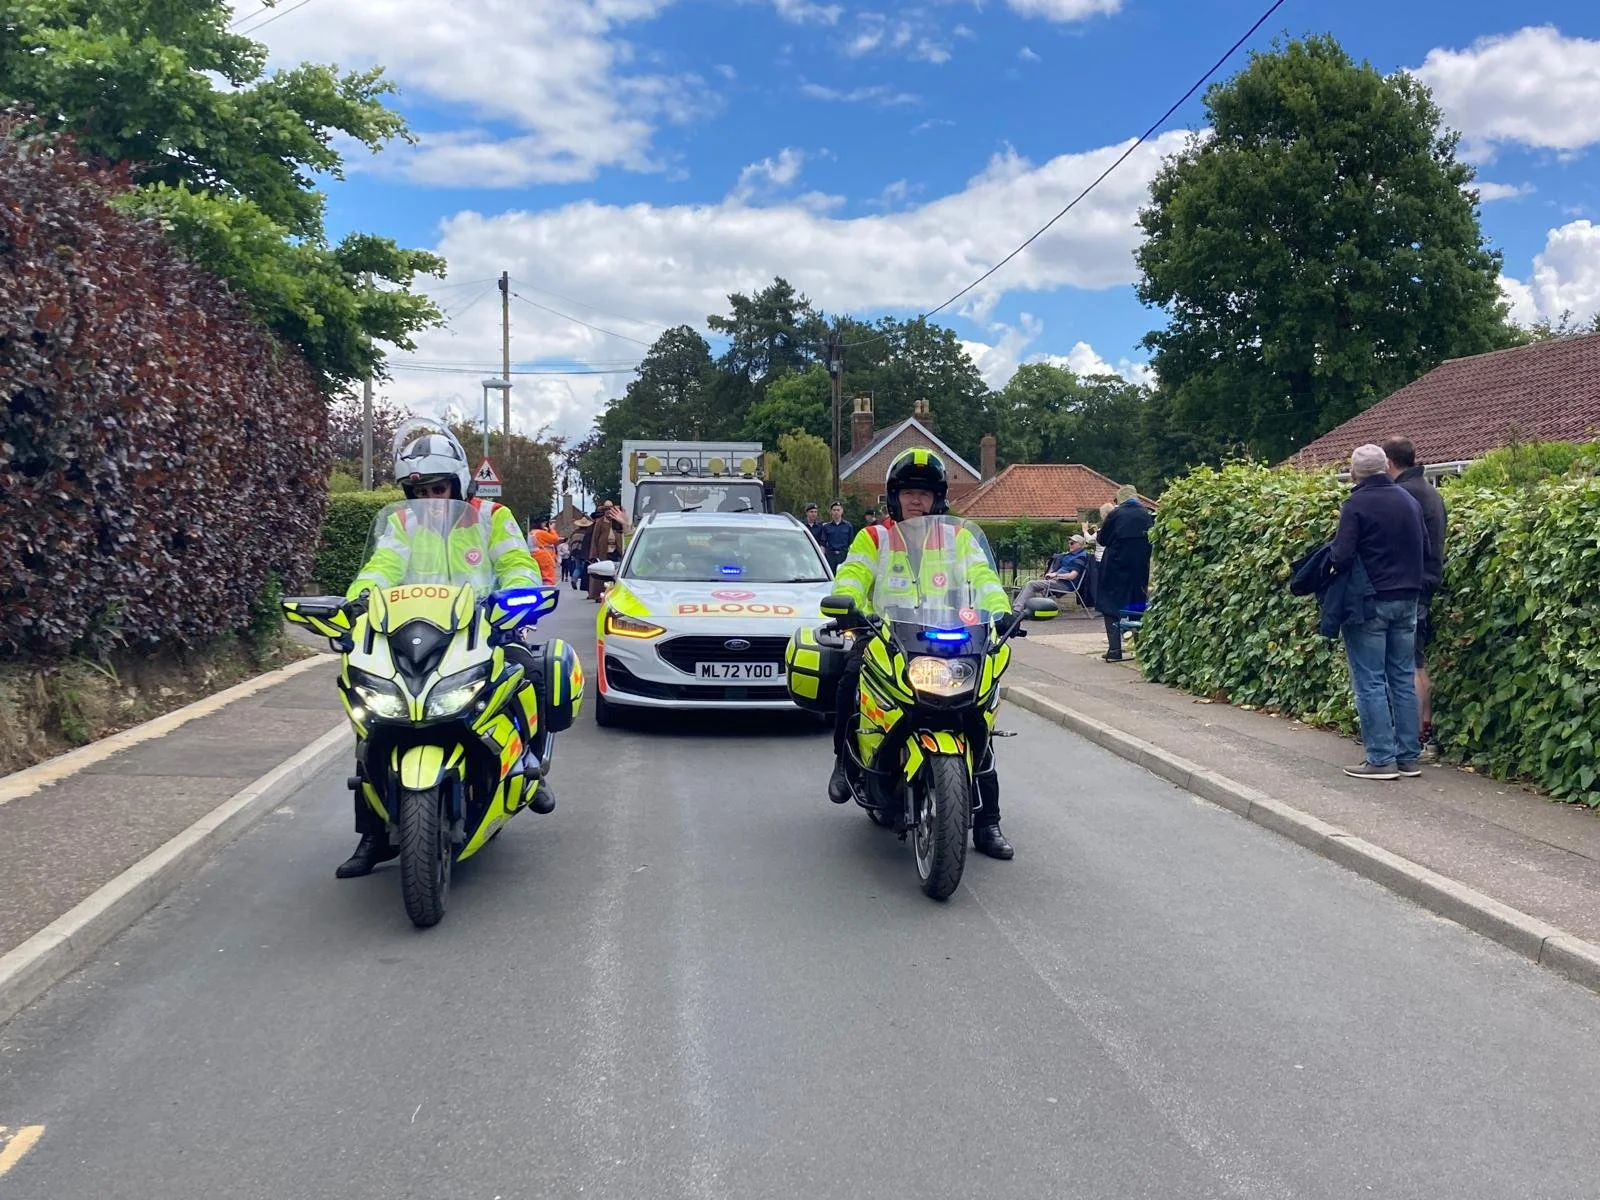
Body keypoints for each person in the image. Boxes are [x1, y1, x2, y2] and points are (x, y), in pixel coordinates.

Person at [338, 424, 556, 879]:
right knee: (370, 718)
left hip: (485, 629)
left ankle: (530, 768)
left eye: (439, 488)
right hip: (413, 632)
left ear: (458, 483)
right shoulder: (401, 523)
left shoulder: (493, 518)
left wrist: (516, 598)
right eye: (419, 491)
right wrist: (358, 599)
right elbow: (383, 566)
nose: (431, 498)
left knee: (527, 671)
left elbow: (517, 563)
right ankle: (374, 833)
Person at [825, 449, 1018, 859]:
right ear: (895, 497)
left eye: (925, 494)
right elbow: (853, 574)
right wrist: (846, 601)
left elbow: (984, 577)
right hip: (885, 635)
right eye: (910, 492)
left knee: (976, 720)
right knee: (851, 675)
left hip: (952, 639)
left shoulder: (959, 538)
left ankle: (988, 824)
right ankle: (843, 761)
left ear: (938, 500)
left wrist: (1001, 612)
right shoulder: (873, 537)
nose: (917, 500)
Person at [1334, 444, 1427, 780]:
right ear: (1386, 466)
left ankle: (1380, 759)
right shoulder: (1409, 501)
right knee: (1402, 676)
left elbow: (1341, 556)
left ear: (1355, 472)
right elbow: (1425, 547)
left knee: (1370, 680)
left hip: (1371, 600)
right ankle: (1408, 757)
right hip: (1409, 598)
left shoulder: (1356, 503)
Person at [1383, 437, 1447, 763]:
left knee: (1410, 663)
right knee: (1414, 660)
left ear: (1388, 462)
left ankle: (1422, 738)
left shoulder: (1405, 495)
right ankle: (1421, 734)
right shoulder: (1430, 491)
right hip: (1428, 582)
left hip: (1412, 586)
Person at [1094, 486, 1152, 662]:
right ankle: (1140, 649)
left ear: (1120, 500)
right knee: (1136, 605)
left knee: (1110, 605)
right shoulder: (1147, 515)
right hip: (1140, 568)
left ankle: (1115, 650)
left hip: (1115, 567)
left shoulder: (1115, 515)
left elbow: (1102, 539)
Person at [1015, 533, 1091, 608]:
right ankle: (1028, 609)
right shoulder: (1069, 555)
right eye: (1069, 543)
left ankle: (1017, 610)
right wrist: (1050, 573)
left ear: (1079, 545)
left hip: (1066, 584)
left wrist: (1056, 575)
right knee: (1031, 585)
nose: (1069, 545)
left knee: (1031, 584)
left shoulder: (1080, 557)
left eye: (1072, 543)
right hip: (1057, 581)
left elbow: (1072, 576)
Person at [817, 500, 854, 571]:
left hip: (843, 556)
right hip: (830, 556)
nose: (836, 512)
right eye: (834, 510)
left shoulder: (848, 526)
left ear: (842, 511)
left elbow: (851, 544)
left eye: (838, 510)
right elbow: (823, 544)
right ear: (831, 511)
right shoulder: (826, 527)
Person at [528, 517, 562, 585]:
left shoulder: (532, 532)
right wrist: (552, 529)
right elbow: (555, 539)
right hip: (544, 558)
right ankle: (548, 592)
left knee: (538, 577)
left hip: (534, 556)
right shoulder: (540, 533)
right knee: (548, 578)